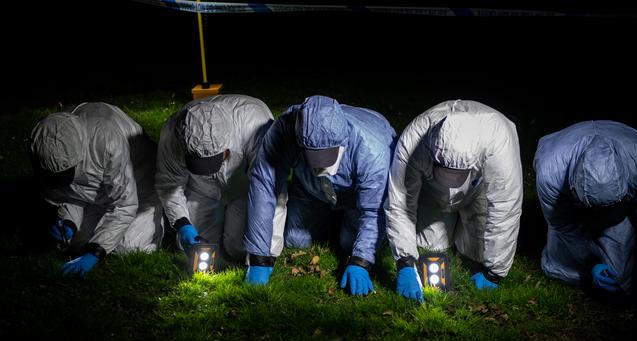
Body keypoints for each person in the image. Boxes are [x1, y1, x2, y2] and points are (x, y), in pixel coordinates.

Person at [243, 95, 397, 295]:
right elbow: (264, 185)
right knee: (296, 240)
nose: (321, 164)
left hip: (354, 197)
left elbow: (373, 210)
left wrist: (361, 261)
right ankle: (327, 214)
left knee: (349, 243)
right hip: (311, 188)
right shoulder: (286, 129)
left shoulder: (371, 150)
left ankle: (344, 219)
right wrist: (259, 258)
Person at [385, 99, 523, 301]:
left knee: (476, 252)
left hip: (478, 187)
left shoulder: (499, 140)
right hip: (433, 189)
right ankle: (445, 220)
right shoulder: (414, 139)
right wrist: (405, 262)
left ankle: (469, 224)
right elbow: (400, 201)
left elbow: (505, 207)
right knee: (431, 245)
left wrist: (495, 271)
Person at [30, 101, 165, 276]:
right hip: (101, 193)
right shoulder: (47, 142)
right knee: (74, 244)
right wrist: (69, 222)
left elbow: (125, 204)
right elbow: (71, 193)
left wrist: (94, 254)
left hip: (140, 181)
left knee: (131, 248)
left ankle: (159, 216)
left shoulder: (106, 140)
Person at [533, 120, 637, 313]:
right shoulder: (550, 172)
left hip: (617, 208)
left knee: (620, 279)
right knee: (559, 266)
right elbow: (563, 225)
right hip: (564, 177)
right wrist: (592, 262)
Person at [155, 94, 274, 268]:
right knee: (194, 247)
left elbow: (270, 189)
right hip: (202, 188)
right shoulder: (175, 132)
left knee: (238, 249)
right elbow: (169, 184)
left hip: (246, 189)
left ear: (227, 143)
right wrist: (182, 224)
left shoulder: (255, 123)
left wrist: (262, 260)